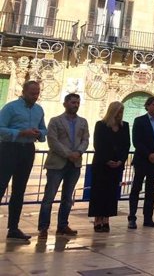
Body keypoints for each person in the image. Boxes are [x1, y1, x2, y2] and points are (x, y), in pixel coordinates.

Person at [0, 80, 47, 240]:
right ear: (24, 92)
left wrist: (38, 133)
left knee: (19, 190)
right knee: (1, 185)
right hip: (9, 149)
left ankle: (13, 228)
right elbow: (0, 128)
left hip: (27, 150)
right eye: (32, 93)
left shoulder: (39, 110)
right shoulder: (11, 108)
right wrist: (20, 132)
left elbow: (43, 129)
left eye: (37, 93)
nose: (35, 96)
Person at [38, 93, 89, 239]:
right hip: (57, 163)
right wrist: (68, 154)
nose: (76, 105)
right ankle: (43, 227)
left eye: (78, 102)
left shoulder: (83, 122)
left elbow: (85, 139)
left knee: (67, 197)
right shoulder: (55, 121)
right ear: (65, 104)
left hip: (75, 164)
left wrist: (79, 152)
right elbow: (53, 141)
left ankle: (63, 225)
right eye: (73, 102)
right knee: (49, 196)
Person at [89, 101, 130, 232]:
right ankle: (97, 219)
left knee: (111, 193)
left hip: (117, 165)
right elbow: (98, 144)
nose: (120, 115)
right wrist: (107, 160)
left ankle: (106, 219)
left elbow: (126, 145)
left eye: (122, 112)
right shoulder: (101, 125)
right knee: (99, 192)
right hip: (102, 164)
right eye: (118, 112)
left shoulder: (125, 126)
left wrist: (121, 160)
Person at [128, 96, 154, 229]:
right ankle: (132, 217)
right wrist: (148, 154)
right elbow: (136, 141)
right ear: (147, 106)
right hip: (142, 160)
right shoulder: (139, 121)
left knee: (151, 190)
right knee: (136, 188)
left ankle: (148, 218)